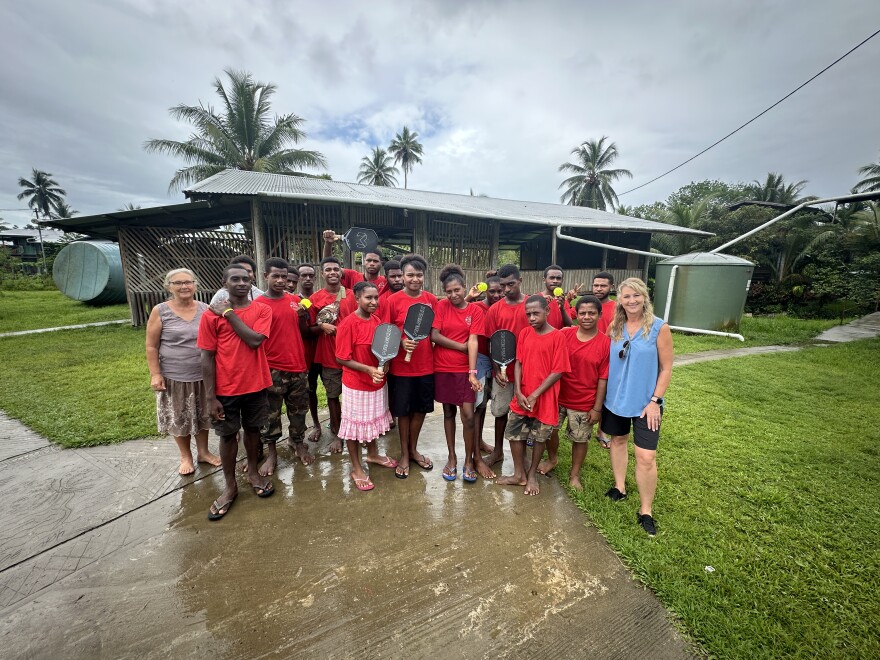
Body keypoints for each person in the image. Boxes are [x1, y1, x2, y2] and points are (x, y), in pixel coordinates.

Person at [198, 264, 274, 521]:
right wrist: (210, 396)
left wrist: (228, 313)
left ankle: (253, 473)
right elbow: (206, 356)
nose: (241, 283)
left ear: (252, 281)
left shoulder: (262, 309)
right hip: (226, 388)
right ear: (224, 282)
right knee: (228, 435)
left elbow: (254, 340)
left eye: (246, 278)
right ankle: (230, 486)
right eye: (235, 279)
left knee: (254, 431)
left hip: (256, 384)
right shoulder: (210, 316)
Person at [602, 278, 673, 536]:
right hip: (616, 400)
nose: (632, 301)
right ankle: (620, 488)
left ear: (645, 297)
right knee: (618, 441)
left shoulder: (658, 328)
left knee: (646, 457)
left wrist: (655, 402)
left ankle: (646, 510)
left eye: (637, 296)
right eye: (626, 296)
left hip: (646, 403)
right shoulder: (616, 327)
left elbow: (666, 368)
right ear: (620, 300)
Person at [145, 268, 220, 476]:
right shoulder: (160, 311)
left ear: (196, 285)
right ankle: (185, 456)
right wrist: (155, 373)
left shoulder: (206, 309)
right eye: (177, 283)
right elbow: (151, 346)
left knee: (203, 414)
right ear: (168, 286)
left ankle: (203, 452)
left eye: (188, 282)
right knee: (179, 416)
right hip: (174, 376)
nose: (184, 286)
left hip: (203, 374)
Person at [497, 295, 570, 496]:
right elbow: (518, 362)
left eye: (536, 313)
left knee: (540, 437)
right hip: (522, 396)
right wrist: (518, 391)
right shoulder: (525, 334)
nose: (531, 318)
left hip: (544, 399)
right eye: (528, 314)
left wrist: (536, 394)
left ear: (547, 312)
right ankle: (518, 473)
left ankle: (531, 475)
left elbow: (558, 371)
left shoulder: (557, 337)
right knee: (513, 432)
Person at [536, 295, 610, 490]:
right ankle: (552, 459)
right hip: (557, 396)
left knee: (580, 439)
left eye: (591, 313)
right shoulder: (564, 334)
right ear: (576, 315)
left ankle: (574, 474)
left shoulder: (605, 344)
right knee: (550, 431)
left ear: (599, 315)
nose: (586, 317)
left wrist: (597, 408)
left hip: (584, 401)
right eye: (582, 313)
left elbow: (603, 378)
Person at [335, 281, 398, 491]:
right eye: (368, 298)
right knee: (354, 427)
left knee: (371, 422)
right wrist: (368, 370)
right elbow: (342, 358)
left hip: (377, 382)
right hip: (356, 384)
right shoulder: (348, 324)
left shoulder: (378, 322)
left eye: (376, 298)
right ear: (356, 298)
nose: (373, 302)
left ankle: (372, 455)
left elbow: (384, 349)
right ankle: (356, 467)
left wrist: (386, 364)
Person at [380, 253, 438, 479]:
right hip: (401, 368)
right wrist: (401, 341)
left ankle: (413, 449)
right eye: (410, 275)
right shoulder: (391, 301)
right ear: (402, 276)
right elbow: (386, 332)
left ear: (424, 276)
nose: (415, 279)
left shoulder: (431, 300)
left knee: (421, 409)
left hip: (425, 365)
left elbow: (435, 330)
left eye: (419, 275)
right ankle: (404, 453)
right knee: (403, 411)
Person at [253, 257, 313, 473]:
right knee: (271, 413)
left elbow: (301, 331)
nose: (280, 280)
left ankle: (297, 443)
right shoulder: (257, 305)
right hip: (272, 369)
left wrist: (303, 316)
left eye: (284, 277)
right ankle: (272, 453)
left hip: (298, 366)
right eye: (275, 276)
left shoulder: (294, 301)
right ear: (265, 276)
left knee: (299, 410)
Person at [431, 265, 486, 482]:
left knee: (469, 416)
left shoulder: (475, 311)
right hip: (443, 367)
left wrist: (472, 372)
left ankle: (469, 460)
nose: (453, 295)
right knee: (447, 413)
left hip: (465, 371)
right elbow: (434, 335)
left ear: (465, 288)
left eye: (457, 290)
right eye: (449, 291)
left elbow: (473, 340)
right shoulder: (441, 306)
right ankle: (452, 458)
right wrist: (459, 347)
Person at [308, 256, 357, 452]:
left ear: (341, 272)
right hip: (329, 356)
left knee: (353, 397)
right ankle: (337, 434)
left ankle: (354, 430)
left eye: (336, 269)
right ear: (322, 273)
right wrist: (321, 326)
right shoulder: (315, 298)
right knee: (332, 396)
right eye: (328, 270)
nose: (332, 273)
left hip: (353, 357)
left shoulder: (353, 295)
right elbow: (309, 328)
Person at [483, 264, 530, 468]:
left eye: (511, 284)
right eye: (503, 286)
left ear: (520, 281)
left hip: (528, 372)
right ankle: (498, 452)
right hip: (503, 373)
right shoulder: (494, 310)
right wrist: (496, 371)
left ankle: (524, 457)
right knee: (500, 413)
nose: (507, 289)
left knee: (526, 414)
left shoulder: (531, 306)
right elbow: (490, 342)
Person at [471, 274, 503, 459]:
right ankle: (476, 445)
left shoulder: (504, 308)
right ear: (485, 291)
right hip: (481, 360)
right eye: (492, 291)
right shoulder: (476, 307)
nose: (497, 295)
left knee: (493, 404)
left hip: (500, 361)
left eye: (500, 291)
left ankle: (481, 442)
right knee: (479, 405)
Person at [296, 263, 323, 441]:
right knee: (310, 390)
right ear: (298, 278)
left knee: (333, 391)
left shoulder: (320, 298)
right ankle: (316, 424)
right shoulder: (293, 301)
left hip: (324, 351)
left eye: (310, 276)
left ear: (315, 278)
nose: (307, 278)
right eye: (303, 275)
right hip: (305, 354)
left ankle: (338, 422)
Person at [322, 229, 387, 294]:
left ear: (381, 263)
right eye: (369, 260)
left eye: (375, 261)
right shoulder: (352, 275)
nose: (372, 263)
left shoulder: (386, 281)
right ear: (364, 261)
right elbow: (329, 264)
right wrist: (328, 244)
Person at [538, 264, 573, 330]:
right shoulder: (537, 298)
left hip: (558, 338)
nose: (555, 281)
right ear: (544, 280)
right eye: (551, 278)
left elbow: (569, 324)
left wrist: (562, 309)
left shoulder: (562, 300)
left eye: (558, 278)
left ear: (562, 280)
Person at [592, 271, 617, 335]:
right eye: (596, 285)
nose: (599, 289)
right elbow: (567, 315)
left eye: (603, 286)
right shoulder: (585, 305)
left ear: (611, 287)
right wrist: (568, 300)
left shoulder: (617, 308)